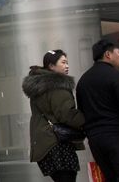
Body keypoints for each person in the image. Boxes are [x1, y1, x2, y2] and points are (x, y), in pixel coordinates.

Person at [76, 40, 119, 181]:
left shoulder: (83, 81)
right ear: (108, 54)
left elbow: (81, 112)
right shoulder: (116, 76)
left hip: (96, 141)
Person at [22, 49, 85, 182]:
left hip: (44, 144)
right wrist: (88, 120)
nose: (67, 66)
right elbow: (66, 114)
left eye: (67, 62)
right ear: (51, 66)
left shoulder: (39, 86)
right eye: (63, 62)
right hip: (57, 144)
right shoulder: (57, 85)